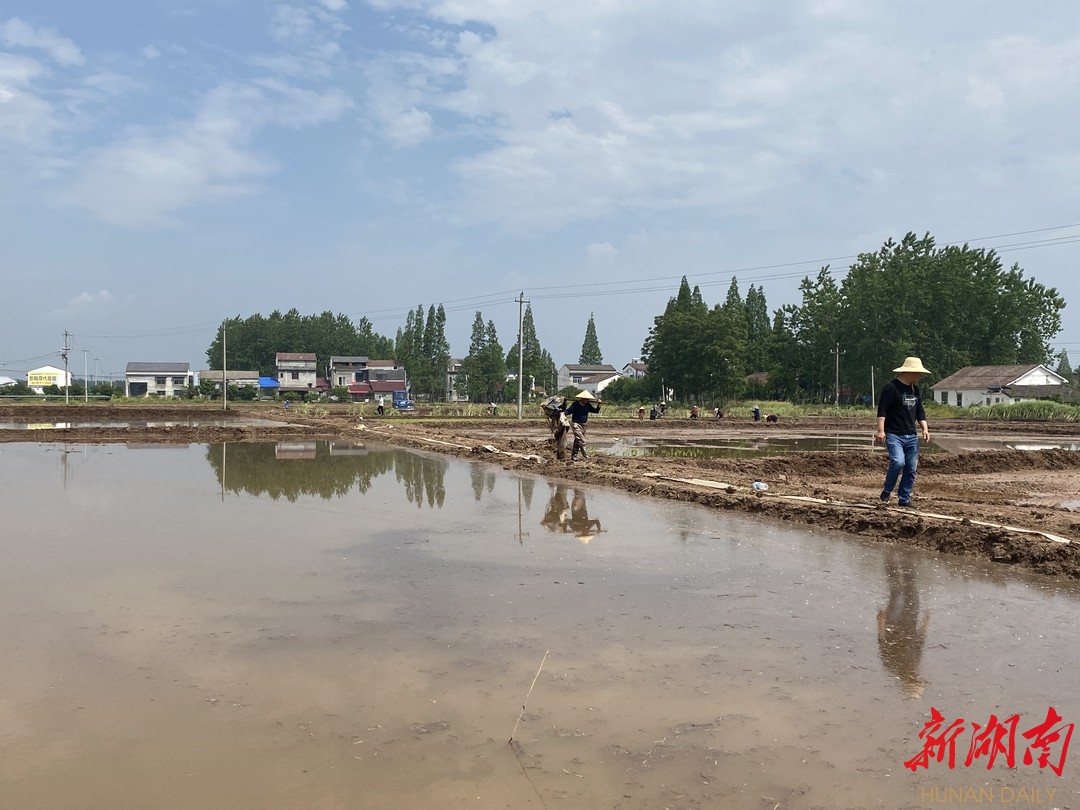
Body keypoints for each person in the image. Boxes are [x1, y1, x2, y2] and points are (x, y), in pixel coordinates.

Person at [875, 356, 931, 507]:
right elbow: (882, 410)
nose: (919, 376)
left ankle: (904, 498)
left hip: (911, 435)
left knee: (911, 468)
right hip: (894, 434)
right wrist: (881, 431)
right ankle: (887, 491)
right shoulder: (891, 388)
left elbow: (920, 411)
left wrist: (924, 428)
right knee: (898, 462)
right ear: (908, 372)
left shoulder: (915, 390)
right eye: (917, 373)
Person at [561, 390, 601, 461]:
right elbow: (568, 411)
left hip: (584, 425)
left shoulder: (588, 405)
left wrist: (599, 405)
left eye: (588, 399)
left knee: (577, 441)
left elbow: (596, 411)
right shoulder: (575, 404)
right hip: (576, 424)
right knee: (582, 440)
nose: (587, 400)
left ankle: (573, 457)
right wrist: (563, 413)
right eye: (586, 399)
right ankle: (586, 456)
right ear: (582, 399)